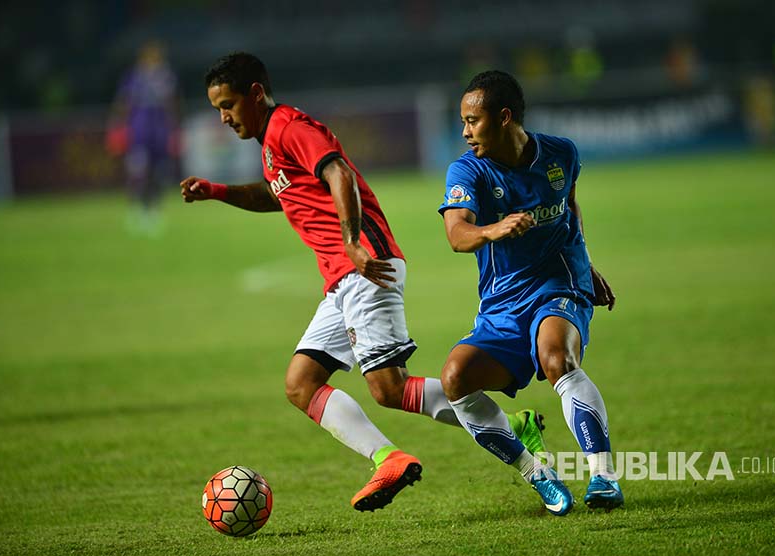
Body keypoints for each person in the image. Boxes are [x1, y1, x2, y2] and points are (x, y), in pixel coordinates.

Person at [180, 52, 546, 512]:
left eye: (228, 104)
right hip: (342, 279)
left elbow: (339, 174)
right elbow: (277, 194)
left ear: (256, 93)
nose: (224, 117)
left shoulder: (290, 128)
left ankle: (507, 429)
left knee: (389, 388)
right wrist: (216, 191)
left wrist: (352, 241)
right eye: (217, 109)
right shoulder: (271, 143)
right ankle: (391, 456)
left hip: (365, 267)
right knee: (301, 383)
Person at [438, 70, 624, 516]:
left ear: (504, 118)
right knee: (455, 379)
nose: (464, 132)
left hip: (560, 282)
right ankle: (540, 475)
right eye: (462, 122)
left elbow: (568, 206)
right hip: (502, 303)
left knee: (556, 357)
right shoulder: (469, 170)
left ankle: (604, 476)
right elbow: (457, 234)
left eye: (473, 121)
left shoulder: (562, 154)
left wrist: (586, 262)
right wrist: (494, 228)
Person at [108, 40, 179, 236]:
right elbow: (123, 103)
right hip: (139, 131)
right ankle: (136, 210)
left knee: (159, 173)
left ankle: (154, 210)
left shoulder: (166, 76)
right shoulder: (135, 77)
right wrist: (118, 126)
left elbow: (172, 103)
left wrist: (173, 129)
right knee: (138, 172)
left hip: (159, 131)